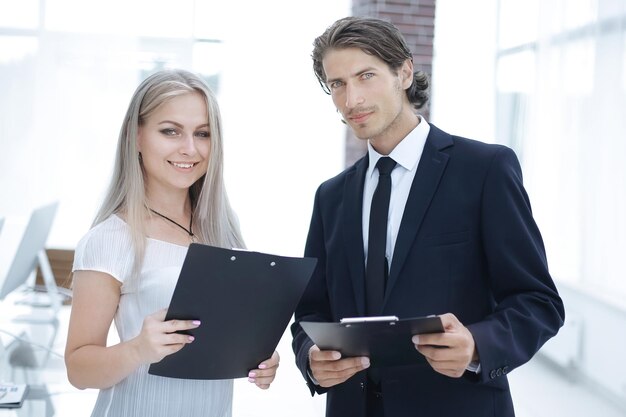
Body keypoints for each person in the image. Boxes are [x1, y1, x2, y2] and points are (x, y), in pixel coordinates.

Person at [291, 16, 564, 417]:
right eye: (338, 84)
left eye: (366, 76)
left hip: (455, 404)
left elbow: (538, 301)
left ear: (404, 72)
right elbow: (311, 312)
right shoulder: (331, 196)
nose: (352, 100)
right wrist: (310, 357)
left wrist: (476, 345)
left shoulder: (485, 170)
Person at [65, 69, 279, 417]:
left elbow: (222, 333)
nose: (190, 149)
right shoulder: (108, 240)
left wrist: (256, 357)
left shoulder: (223, 228)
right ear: (136, 137)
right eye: (170, 131)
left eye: (203, 134)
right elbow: (78, 369)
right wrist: (137, 349)